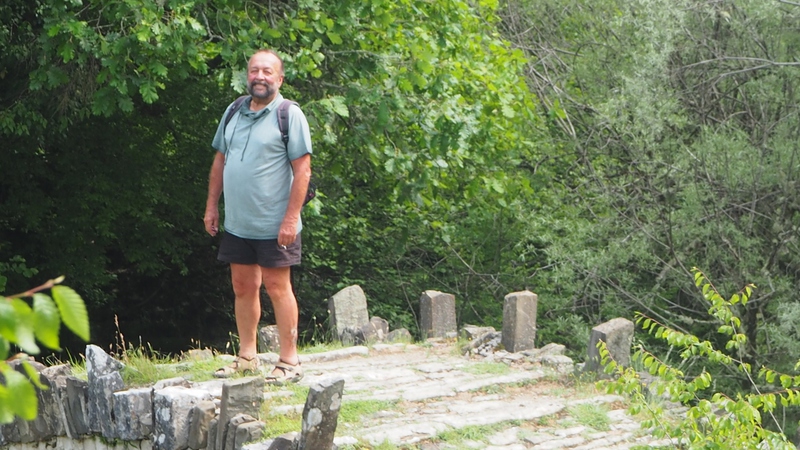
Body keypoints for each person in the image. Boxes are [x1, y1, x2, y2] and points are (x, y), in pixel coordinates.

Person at [203, 49, 312, 385]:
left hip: (275, 224)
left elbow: (303, 170)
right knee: (243, 287)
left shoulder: (288, 114)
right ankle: (247, 357)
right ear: (247, 75)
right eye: (254, 70)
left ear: (280, 79)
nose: (259, 77)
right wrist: (211, 206)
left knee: (278, 288)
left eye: (267, 71)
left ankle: (289, 361)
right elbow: (220, 161)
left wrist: (290, 219)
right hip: (238, 223)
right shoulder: (233, 111)